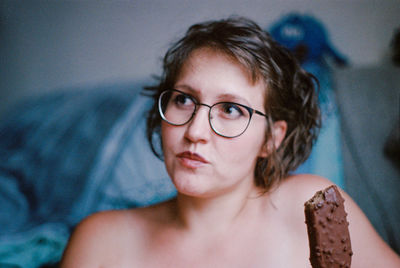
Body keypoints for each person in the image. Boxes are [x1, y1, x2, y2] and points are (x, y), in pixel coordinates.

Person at [60, 17, 400, 267]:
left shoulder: (311, 205)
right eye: (184, 100)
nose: (195, 131)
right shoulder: (101, 242)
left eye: (231, 109)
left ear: (271, 138)